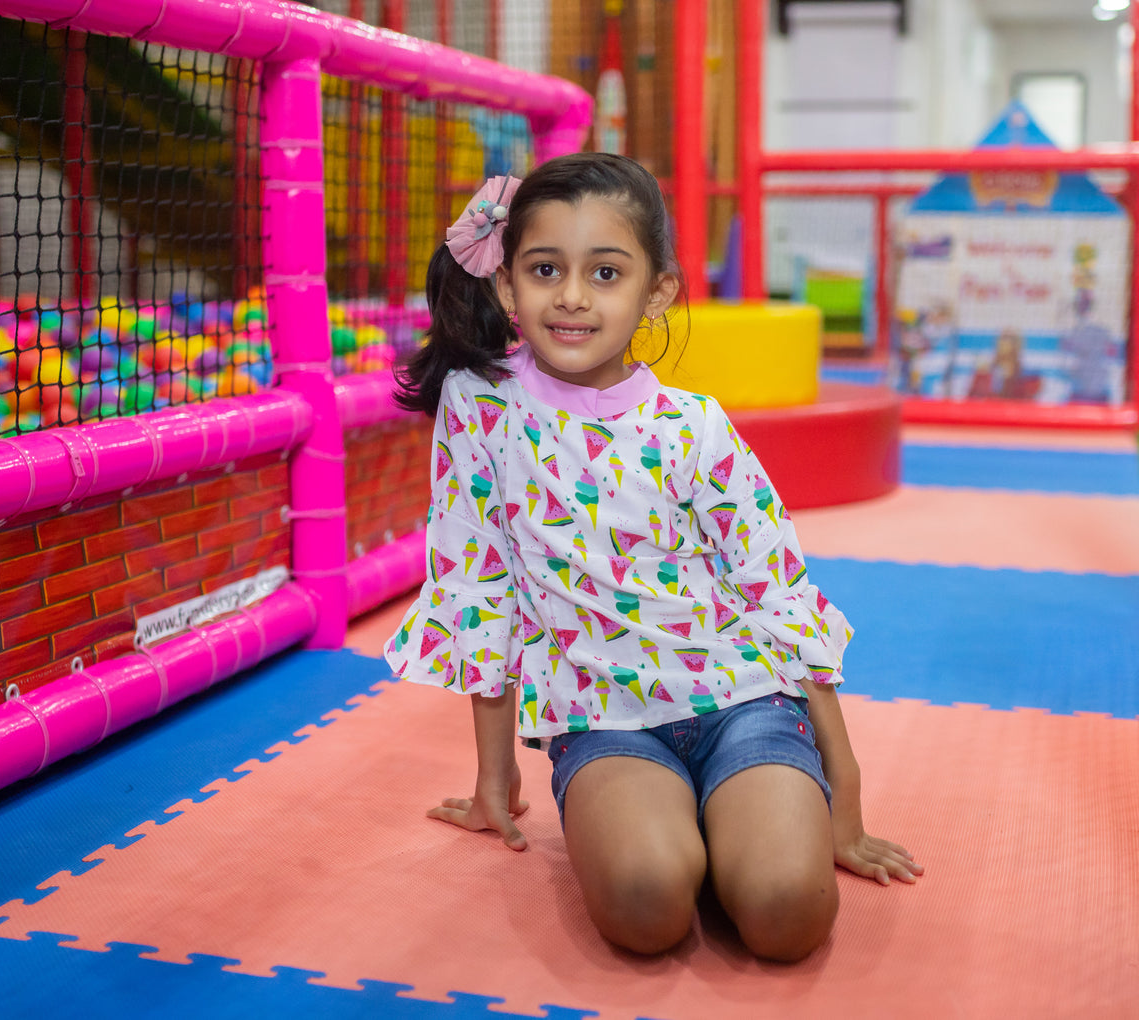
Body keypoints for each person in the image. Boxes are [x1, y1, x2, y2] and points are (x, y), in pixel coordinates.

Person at [386, 152, 921, 963]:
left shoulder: (694, 427)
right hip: (600, 726)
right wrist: (495, 781)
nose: (570, 295)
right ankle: (695, 831)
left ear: (656, 291)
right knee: (645, 911)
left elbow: (778, 596)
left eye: (604, 272)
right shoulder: (480, 408)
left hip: (745, 703)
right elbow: (479, 590)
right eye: (543, 269)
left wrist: (843, 797)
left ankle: (738, 822)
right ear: (505, 286)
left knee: (787, 916)